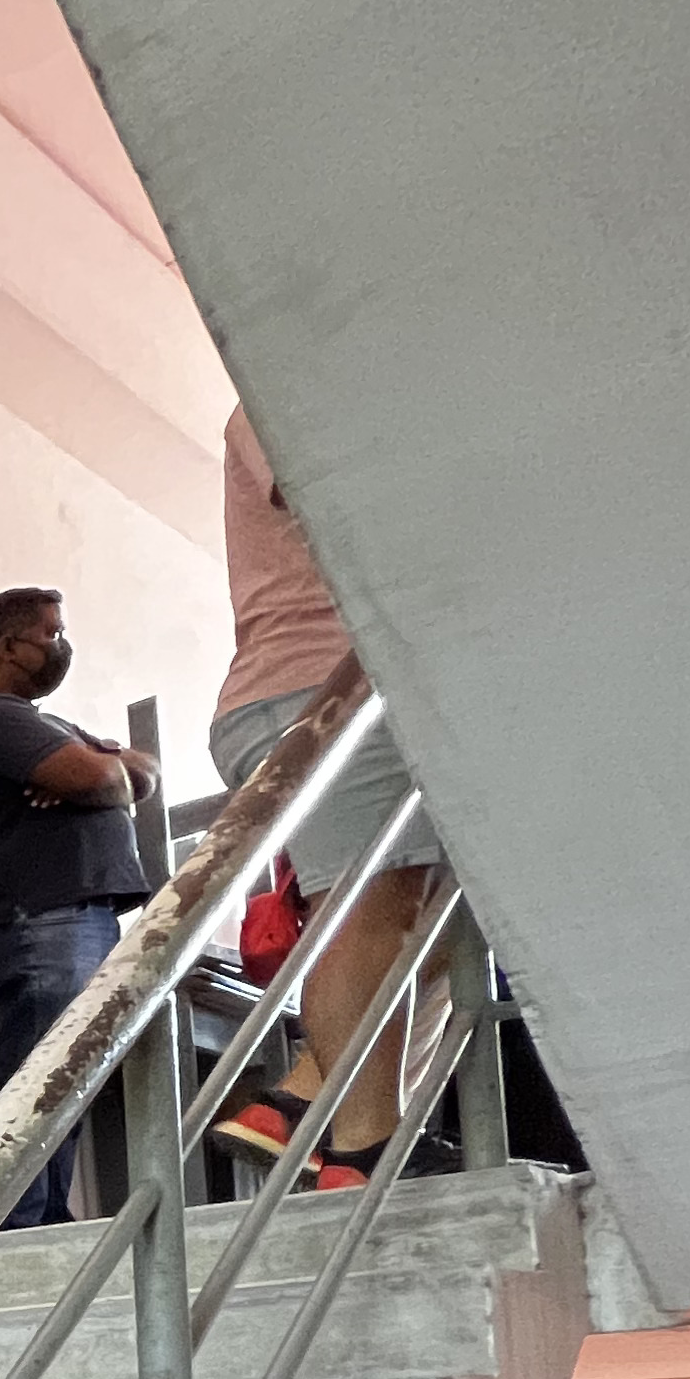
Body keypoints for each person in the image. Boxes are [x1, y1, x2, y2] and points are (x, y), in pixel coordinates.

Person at [204, 408, 451, 1190]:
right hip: (314, 688)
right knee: (369, 915)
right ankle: (363, 1151)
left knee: (455, 920)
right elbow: (346, 489)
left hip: (345, 687)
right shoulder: (276, 382)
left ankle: (297, 1100)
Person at [0, 587, 160, 1228]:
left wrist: (103, 768)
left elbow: (139, 773)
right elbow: (105, 780)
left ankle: (39, 1220)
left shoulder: (40, 724)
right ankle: (16, 1230)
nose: (62, 646)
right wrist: (100, 772)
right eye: (52, 634)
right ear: (8, 646)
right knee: (40, 1083)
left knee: (61, 1081)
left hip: (67, 919)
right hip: (41, 922)